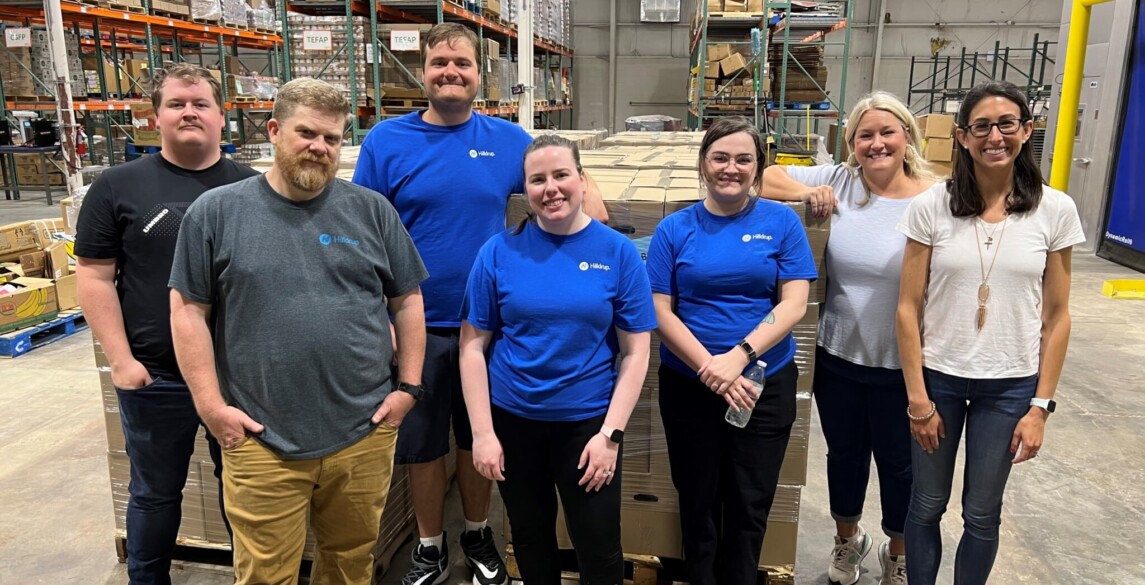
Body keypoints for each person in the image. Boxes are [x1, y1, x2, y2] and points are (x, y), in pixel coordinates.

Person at [351, 22, 606, 585]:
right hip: (414, 323)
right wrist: (378, 317)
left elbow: (561, 180)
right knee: (420, 445)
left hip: (490, 329)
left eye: (462, 64)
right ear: (423, 72)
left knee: (477, 438)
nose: (451, 72)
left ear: (478, 73)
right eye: (440, 62)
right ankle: (428, 543)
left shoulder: (511, 140)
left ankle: (475, 530)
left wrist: (596, 206)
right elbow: (363, 234)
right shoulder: (386, 142)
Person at [168, 77, 429, 585]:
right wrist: (210, 407)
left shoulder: (371, 210)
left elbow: (408, 299)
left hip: (363, 432)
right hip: (262, 440)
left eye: (332, 139)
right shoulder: (217, 213)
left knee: (351, 563)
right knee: (266, 574)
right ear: (273, 131)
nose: (319, 148)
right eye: (307, 133)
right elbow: (187, 312)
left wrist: (409, 390)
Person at [75, 63, 257, 585]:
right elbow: (93, 277)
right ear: (155, 118)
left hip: (237, 379)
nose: (189, 112)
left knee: (243, 493)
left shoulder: (253, 189)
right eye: (176, 103)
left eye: (201, 103)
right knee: (154, 496)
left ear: (223, 117)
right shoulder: (117, 186)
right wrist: (122, 362)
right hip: (156, 378)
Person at [896, 81, 1085, 585]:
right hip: (939, 380)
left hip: (1010, 386)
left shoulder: (1055, 210)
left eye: (1007, 124)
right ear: (961, 136)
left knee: (982, 512)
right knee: (927, 503)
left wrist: (1040, 407)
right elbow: (907, 307)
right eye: (981, 126)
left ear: (1027, 130)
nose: (994, 136)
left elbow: (1058, 316)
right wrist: (918, 398)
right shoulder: (931, 206)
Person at [458, 134, 655, 585]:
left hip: (587, 428)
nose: (551, 188)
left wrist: (611, 436)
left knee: (598, 543)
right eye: (537, 179)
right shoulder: (498, 252)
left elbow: (636, 352)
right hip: (514, 423)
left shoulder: (617, 253)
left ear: (582, 181)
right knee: (529, 538)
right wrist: (483, 433)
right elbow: (472, 347)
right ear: (525, 189)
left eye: (561, 175)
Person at [761, 91, 937, 585]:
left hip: (905, 363)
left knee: (901, 466)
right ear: (852, 143)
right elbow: (768, 174)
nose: (876, 143)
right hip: (838, 356)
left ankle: (897, 554)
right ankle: (847, 541)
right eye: (865, 135)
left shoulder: (936, 197)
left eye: (887, 132)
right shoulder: (839, 179)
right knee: (845, 455)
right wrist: (803, 193)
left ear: (907, 136)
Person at [645, 116, 818, 585]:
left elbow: (794, 303)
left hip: (762, 385)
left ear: (758, 166)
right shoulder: (674, 229)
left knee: (750, 502)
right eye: (720, 157)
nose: (731, 168)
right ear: (703, 163)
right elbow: (660, 309)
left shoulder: (781, 222)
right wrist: (709, 367)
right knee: (698, 499)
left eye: (744, 159)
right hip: (690, 384)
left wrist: (738, 356)